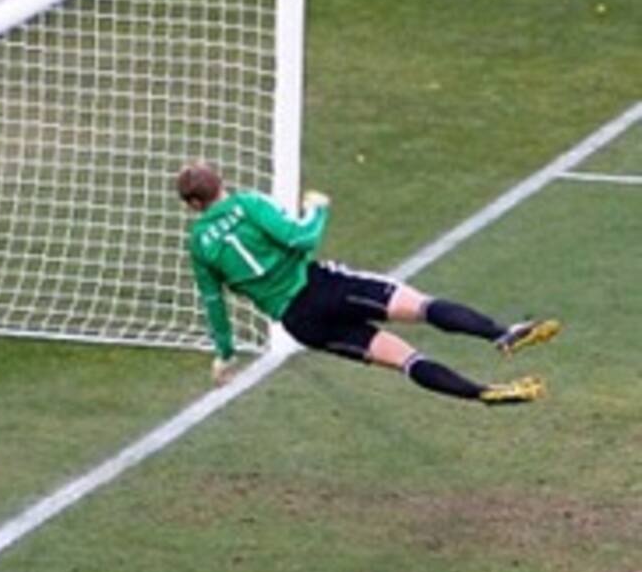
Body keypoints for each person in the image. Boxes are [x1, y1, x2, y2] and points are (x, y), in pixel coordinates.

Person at [176, 161, 560, 404]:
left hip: (300, 323)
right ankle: (499, 334)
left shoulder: (198, 245)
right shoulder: (248, 205)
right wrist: (318, 209)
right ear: (220, 182)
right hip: (321, 285)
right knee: (422, 307)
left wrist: (225, 354)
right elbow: (301, 239)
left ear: (193, 205)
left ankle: (484, 393)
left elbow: (214, 303)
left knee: (406, 359)